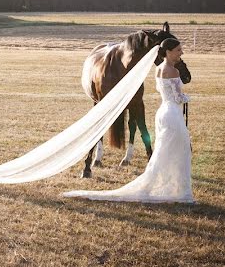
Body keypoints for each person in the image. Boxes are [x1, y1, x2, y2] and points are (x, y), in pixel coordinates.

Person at [63, 37, 194, 203]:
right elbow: (177, 97)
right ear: (168, 52)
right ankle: (176, 187)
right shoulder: (173, 71)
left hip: (163, 113)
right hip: (172, 113)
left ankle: (161, 180)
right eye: (178, 50)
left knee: (164, 148)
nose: (181, 53)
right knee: (179, 149)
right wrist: (188, 98)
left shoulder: (159, 68)